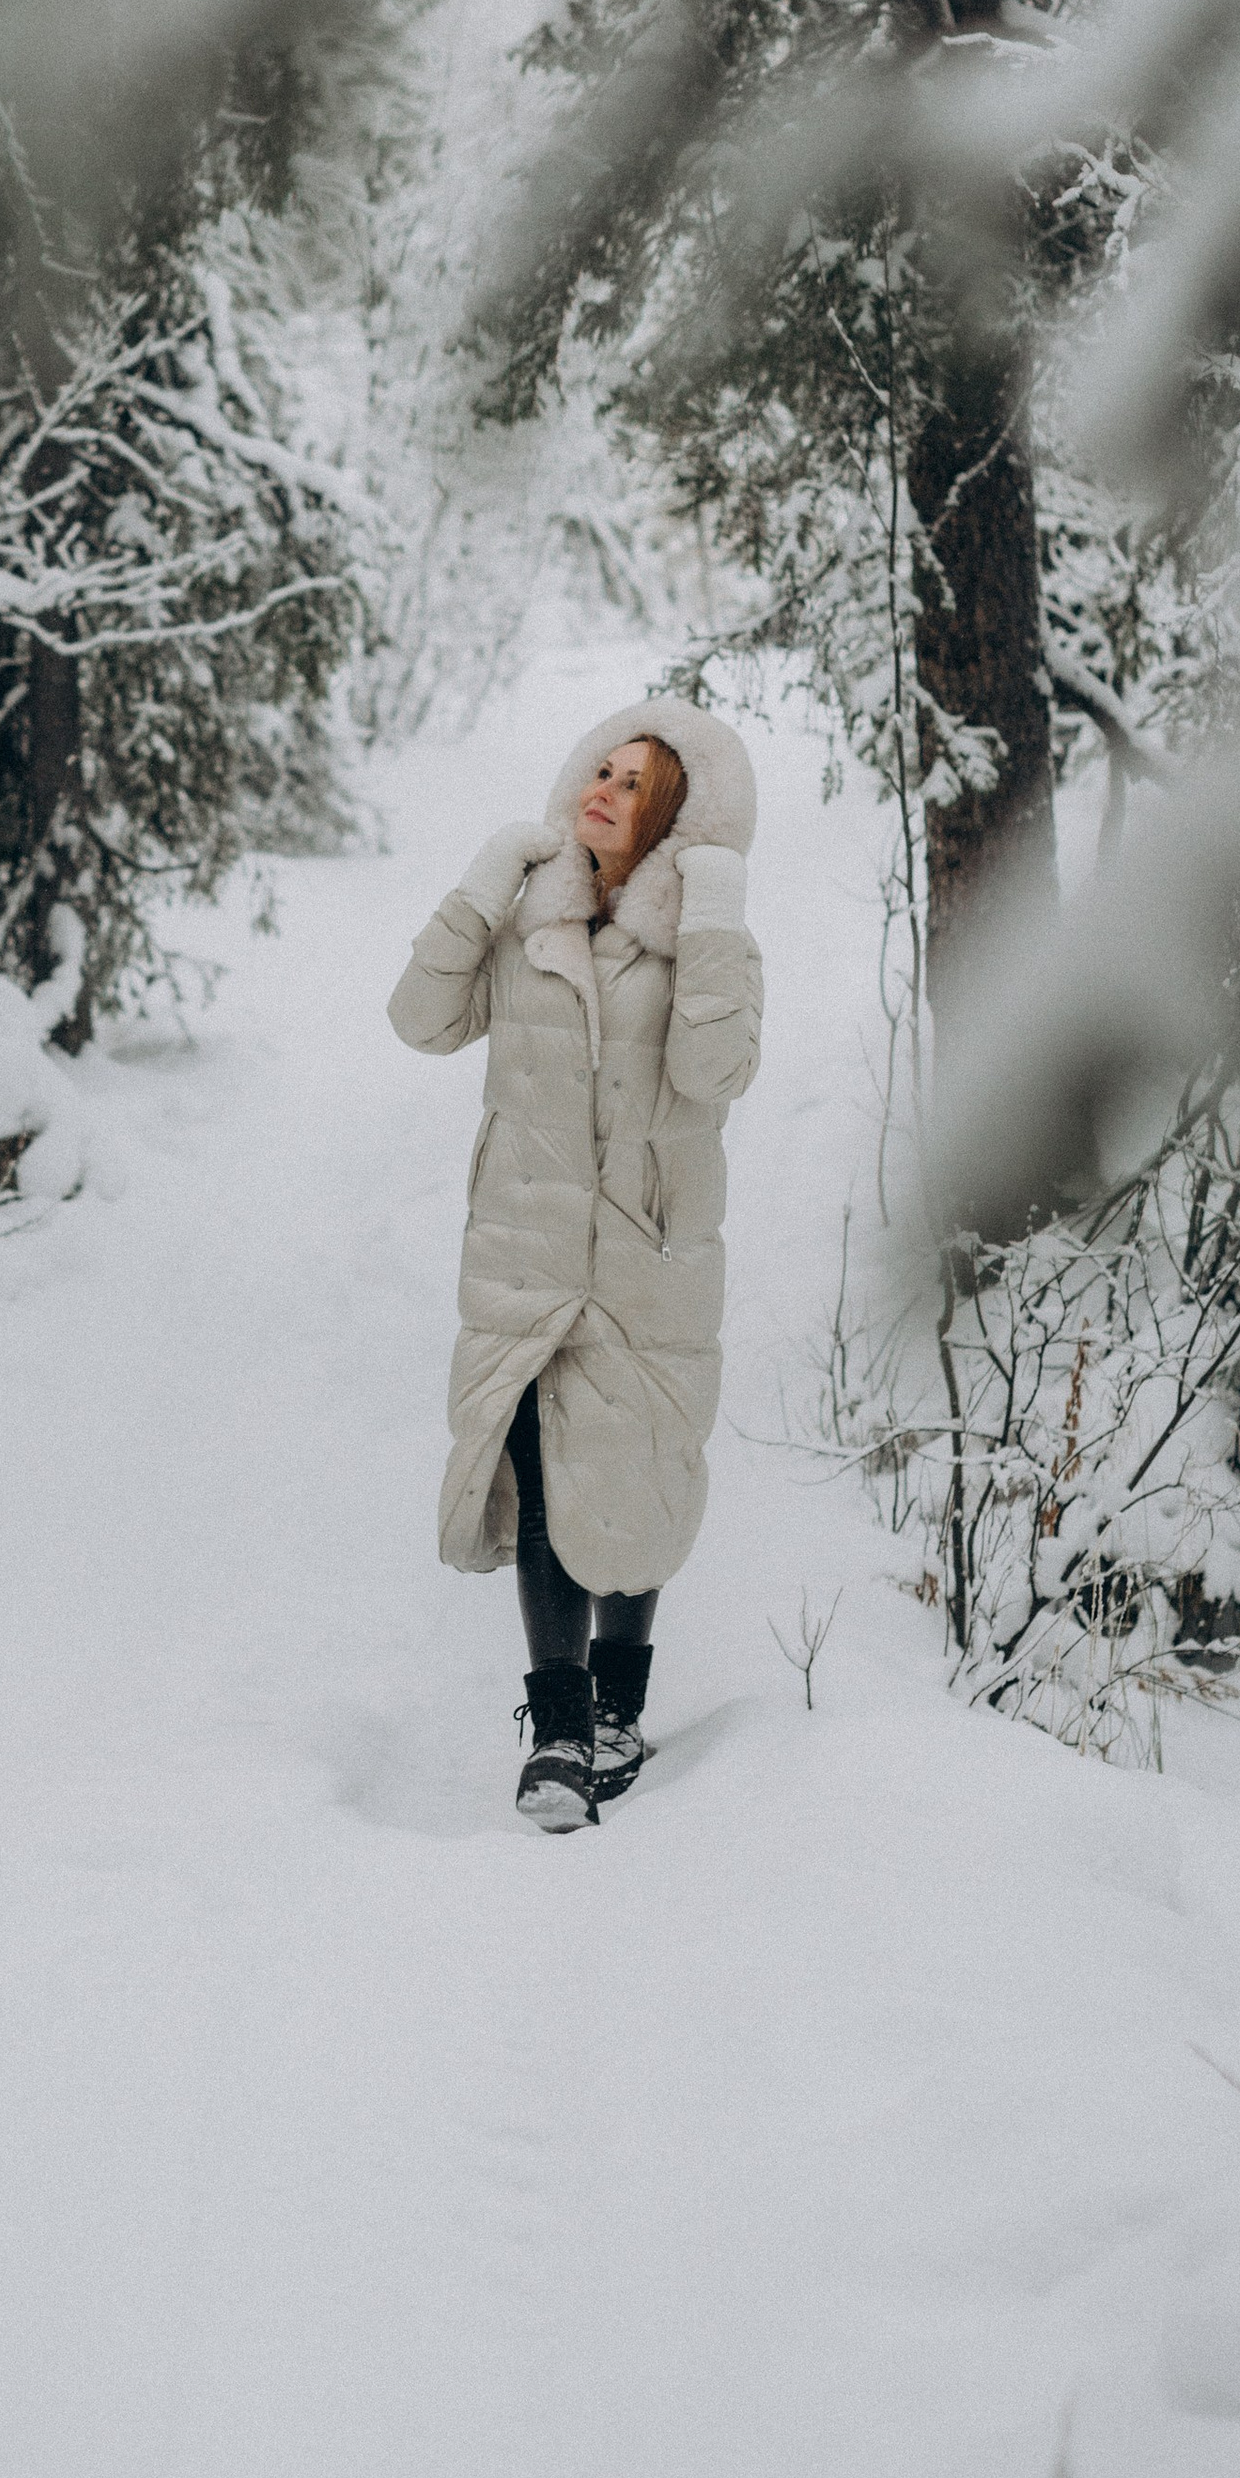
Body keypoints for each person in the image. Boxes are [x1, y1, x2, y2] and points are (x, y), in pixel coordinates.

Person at [388, 697, 764, 1829]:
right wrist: (481, 883)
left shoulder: (707, 938)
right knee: (543, 1474)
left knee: (629, 1474)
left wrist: (711, 914)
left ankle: (617, 1710)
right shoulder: (527, 924)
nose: (599, 788)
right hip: (523, 1246)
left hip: (647, 1255)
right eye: (597, 767)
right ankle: (557, 1733)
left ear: (678, 816)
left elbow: (715, 1071)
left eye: (633, 782)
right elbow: (419, 1019)